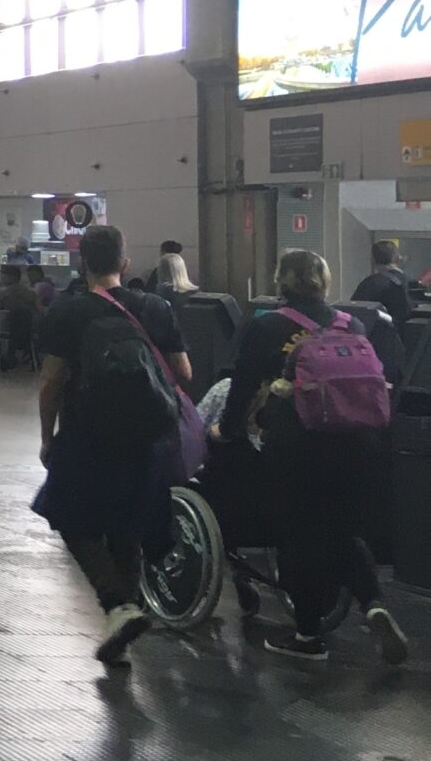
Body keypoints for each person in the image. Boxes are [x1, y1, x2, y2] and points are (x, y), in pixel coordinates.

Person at [217, 249, 408, 666]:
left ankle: (307, 636)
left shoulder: (265, 326)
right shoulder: (352, 323)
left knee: (299, 537)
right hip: (357, 444)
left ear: (281, 282)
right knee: (344, 531)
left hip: (298, 446)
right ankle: (374, 604)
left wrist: (229, 432)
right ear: (324, 282)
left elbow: (242, 387)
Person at [33, 223, 192, 666]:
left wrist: (48, 438)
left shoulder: (68, 312)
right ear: (124, 262)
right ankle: (126, 613)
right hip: (146, 438)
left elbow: (51, 383)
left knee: (70, 517)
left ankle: (118, 606)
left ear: (83, 262)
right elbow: (184, 373)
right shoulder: (154, 308)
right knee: (128, 526)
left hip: (86, 433)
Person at [352, 239, 415, 327]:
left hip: (378, 337)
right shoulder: (412, 284)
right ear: (396, 258)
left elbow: (355, 312)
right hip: (411, 337)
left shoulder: (369, 284)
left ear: (373, 260)